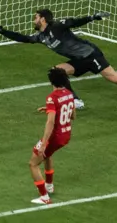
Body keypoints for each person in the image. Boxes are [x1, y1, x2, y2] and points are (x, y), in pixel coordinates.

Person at [0, 9, 117, 112]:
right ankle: (75, 100)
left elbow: (73, 22)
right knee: (56, 72)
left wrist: (92, 17)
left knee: (115, 79)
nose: (33, 19)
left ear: (43, 19)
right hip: (78, 59)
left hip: (91, 55)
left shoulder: (56, 27)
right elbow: (23, 38)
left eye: (36, 17)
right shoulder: (41, 37)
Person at [29, 67, 76, 205]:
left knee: (33, 163)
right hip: (66, 134)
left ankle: (44, 197)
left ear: (51, 81)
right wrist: (52, 109)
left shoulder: (52, 97)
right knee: (47, 155)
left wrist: (44, 143)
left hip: (54, 136)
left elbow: (50, 122)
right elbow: (73, 115)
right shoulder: (69, 93)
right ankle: (49, 186)